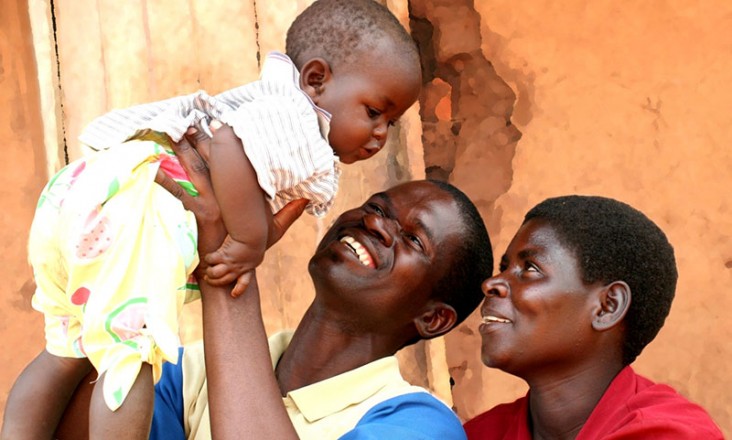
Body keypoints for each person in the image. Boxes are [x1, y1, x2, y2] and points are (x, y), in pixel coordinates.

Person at [0, 1, 422, 438]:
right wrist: (246, 241)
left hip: (82, 198)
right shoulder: (296, 118)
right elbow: (226, 148)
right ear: (315, 80)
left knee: (66, 348)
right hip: (133, 215)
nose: (379, 135)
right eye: (374, 112)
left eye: (391, 123)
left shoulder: (273, 103)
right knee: (132, 355)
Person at [53, 131, 494, 439]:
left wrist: (225, 260)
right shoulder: (193, 370)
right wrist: (122, 265)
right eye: (377, 206)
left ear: (433, 318)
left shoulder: (420, 425)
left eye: (413, 240)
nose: (377, 224)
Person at [463, 195, 724, 439]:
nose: (492, 283)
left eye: (530, 268)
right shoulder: (482, 433)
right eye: (504, 268)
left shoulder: (668, 433)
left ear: (607, 307)